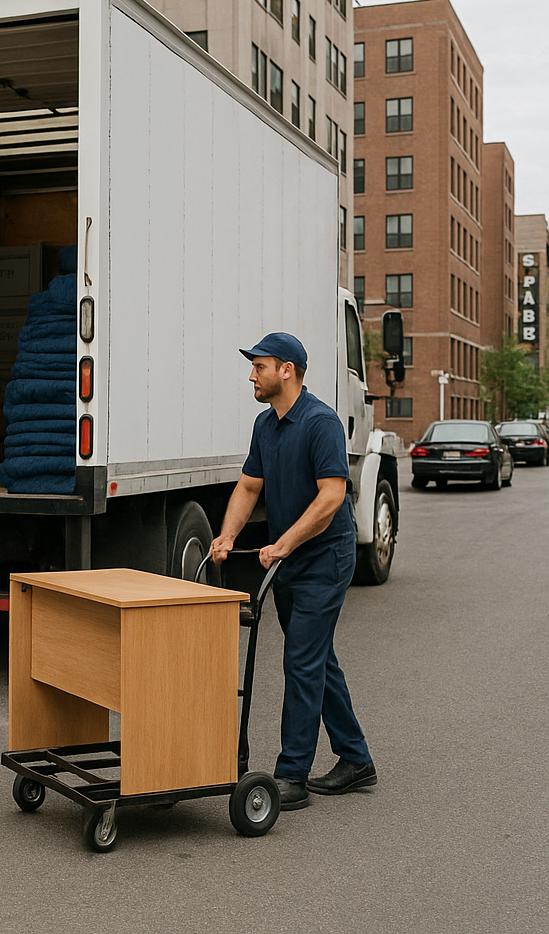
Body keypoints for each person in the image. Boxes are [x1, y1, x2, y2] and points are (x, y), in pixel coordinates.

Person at [209, 332, 376, 811]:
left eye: (258, 366)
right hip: (289, 557)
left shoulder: (320, 423)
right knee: (316, 657)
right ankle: (356, 758)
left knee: (301, 659)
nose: (251, 375)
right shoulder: (266, 425)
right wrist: (228, 536)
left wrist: (283, 542)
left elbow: (331, 498)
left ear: (286, 370)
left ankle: (291, 774)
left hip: (326, 556)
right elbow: (247, 487)